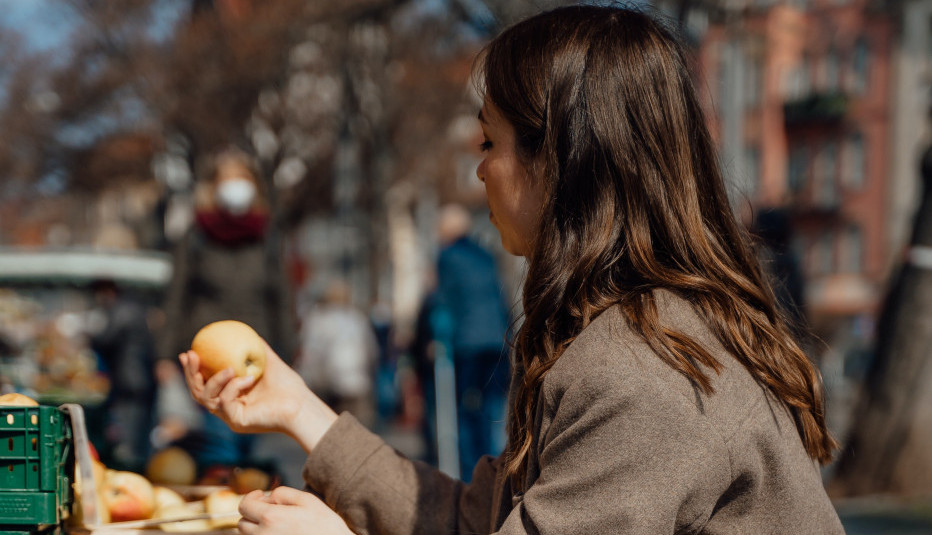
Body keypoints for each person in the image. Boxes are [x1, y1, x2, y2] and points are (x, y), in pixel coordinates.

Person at [180, 6, 844, 534]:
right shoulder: (627, 330)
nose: (480, 169)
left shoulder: (646, 371)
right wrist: (298, 408)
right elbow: (484, 521)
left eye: (491, 141)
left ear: (561, 160)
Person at [160, 147, 292, 468]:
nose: (235, 186)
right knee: (220, 445)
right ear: (214, 187)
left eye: (242, 178)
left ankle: (239, 502)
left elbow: (282, 298)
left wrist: (288, 351)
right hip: (210, 358)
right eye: (228, 179)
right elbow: (176, 298)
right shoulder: (196, 237)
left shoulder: (266, 237)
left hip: (257, 356)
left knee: (249, 441)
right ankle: (223, 503)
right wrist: (164, 355)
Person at [431, 203, 512, 479]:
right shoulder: (486, 255)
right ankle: (496, 469)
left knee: (465, 409)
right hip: (496, 340)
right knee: (492, 408)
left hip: (468, 342)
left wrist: (439, 338)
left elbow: (444, 301)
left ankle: (471, 476)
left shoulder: (447, 256)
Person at [87, 279, 157, 472]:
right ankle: (134, 464)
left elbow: (106, 338)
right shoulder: (132, 309)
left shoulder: (123, 311)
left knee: (131, 431)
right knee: (137, 427)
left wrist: (89, 336)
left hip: (131, 380)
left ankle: (131, 469)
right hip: (137, 377)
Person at [294, 279, 378, 428]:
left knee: (329, 428)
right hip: (355, 381)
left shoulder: (318, 319)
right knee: (353, 429)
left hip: (328, 382)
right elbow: (371, 348)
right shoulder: (357, 318)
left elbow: (311, 352)